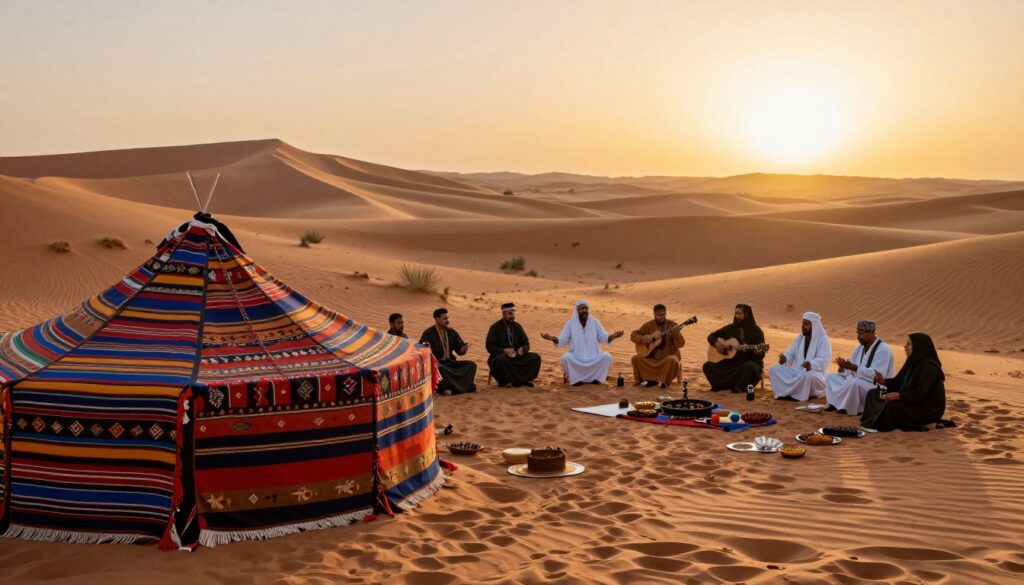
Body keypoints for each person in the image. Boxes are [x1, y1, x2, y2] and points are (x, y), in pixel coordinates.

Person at [861, 332, 948, 431]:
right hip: (912, 402)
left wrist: (899, 396)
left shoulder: (929, 367)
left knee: (891, 406)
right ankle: (871, 423)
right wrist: (883, 381)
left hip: (927, 410)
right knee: (873, 394)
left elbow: (920, 394)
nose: (905, 347)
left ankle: (923, 425)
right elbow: (898, 382)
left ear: (919, 347)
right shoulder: (912, 361)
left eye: (909, 344)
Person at [541, 300, 624, 386]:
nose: (584, 310)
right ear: (577, 311)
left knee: (606, 357)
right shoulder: (570, 324)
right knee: (566, 358)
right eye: (581, 309)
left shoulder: (595, 322)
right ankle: (576, 379)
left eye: (586, 308)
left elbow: (603, 337)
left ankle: (596, 379)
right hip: (577, 358)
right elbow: (563, 339)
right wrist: (552, 338)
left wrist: (612, 337)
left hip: (593, 358)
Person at [824, 320, 894, 415]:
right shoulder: (859, 347)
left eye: (861, 334)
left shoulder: (883, 349)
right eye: (857, 333)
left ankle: (847, 408)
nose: (858, 337)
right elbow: (850, 366)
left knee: (855, 383)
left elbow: (877, 375)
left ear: (871, 333)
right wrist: (843, 368)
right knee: (830, 377)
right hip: (856, 380)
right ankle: (834, 404)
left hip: (876, 387)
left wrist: (854, 368)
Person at [703, 304, 766, 393]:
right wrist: (717, 344)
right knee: (708, 366)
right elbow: (711, 336)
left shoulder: (756, 331)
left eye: (739, 314)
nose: (736, 316)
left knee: (749, 367)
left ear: (746, 315)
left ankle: (740, 387)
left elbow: (761, 355)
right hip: (730, 364)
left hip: (747, 363)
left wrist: (757, 352)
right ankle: (719, 386)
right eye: (735, 313)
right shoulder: (730, 328)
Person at [770, 311, 832, 401]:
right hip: (797, 372)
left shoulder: (823, 340)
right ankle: (785, 393)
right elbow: (790, 353)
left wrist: (811, 364)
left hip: (816, 374)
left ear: (814, 326)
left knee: (808, 376)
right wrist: (785, 358)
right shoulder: (799, 338)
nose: (802, 326)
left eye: (806, 324)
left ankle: (797, 396)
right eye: (802, 323)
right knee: (773, 369)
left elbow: (824, 360)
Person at [419, 308, 477, 395]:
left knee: (471, 365)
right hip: (437, 364)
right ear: (437, 319)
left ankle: (461, 387)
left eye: (448, 318)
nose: (447, 321)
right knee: (441, 369)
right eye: (445, 319)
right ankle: (444, 389)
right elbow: (423, 351)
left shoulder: (451, 332)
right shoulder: (428, 333)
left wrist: (464, 348)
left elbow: (460, 351)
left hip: (450, 363)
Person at [485, 302, 541, 388]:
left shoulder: (517, 327)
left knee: (535, 357)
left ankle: (524, 380)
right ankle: (505, 381)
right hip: (501, 357)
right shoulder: (495, 328)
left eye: (513, 313)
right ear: (503, 314)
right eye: (510, 314)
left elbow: (526, 343)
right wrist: (503, 350)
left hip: (517, 357)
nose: (512, 316)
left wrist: (523, 349)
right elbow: (490, 346)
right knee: (501, 359)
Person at [629, 304, 684, 388]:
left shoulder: (672, 325)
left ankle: (665, 382)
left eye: (663, 314)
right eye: (659, 315)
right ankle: (648, 380)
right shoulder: (648, 325)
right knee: (636, 358)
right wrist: (643, 338)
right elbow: (633, 335)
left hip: (666, 358)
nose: (661, 317)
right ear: (654, 314)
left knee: (672, 360)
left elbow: (681, 344)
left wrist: (677, 334)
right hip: (651, 358)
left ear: (665, 313)